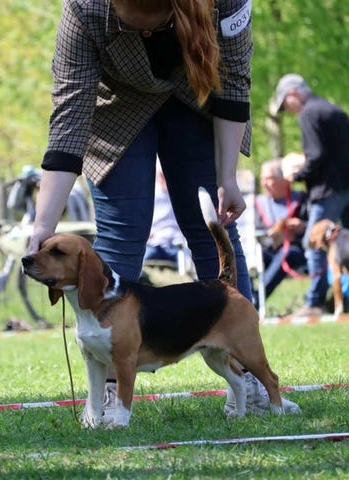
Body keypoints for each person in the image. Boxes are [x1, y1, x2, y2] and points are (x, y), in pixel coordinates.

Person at [28, 0, 299, 416]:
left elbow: (234, 81)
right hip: (117, 110)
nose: (144, 35)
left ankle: (246, 375)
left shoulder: (225, 3)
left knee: (213, 233)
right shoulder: (85, 8)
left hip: (199, 98)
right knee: (121, 234)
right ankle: (111, 388)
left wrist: (228, 177)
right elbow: (69, 117)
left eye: (151, 27)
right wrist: (43, 223)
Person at [274, 73, 349, 318]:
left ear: (293, 93)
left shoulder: (308, 113)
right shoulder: (333, 109)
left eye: (285, 103)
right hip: (346, 185)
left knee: (314, 242)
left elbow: (315, 155)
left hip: (327, 190)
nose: (288, 109)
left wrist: (296, 176)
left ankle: (315, 303)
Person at [253, 158, 308, 307]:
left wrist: (303, 227)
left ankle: (256, 301)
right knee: (245, 255)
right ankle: (247, 296)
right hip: (267, 249)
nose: (263, 183)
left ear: (283, 179)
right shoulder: (258, 203)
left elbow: (314, 228)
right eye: (262, 179)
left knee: (287, 254)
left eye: (268, 179)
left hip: (295, 251)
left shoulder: (302, 200)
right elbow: (255, 230)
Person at [144, 163, 186, 265]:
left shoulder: (181, 194)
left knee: (187, 262)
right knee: (145, 258)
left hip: (176, 245)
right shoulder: (151, 193)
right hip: (154, 244)